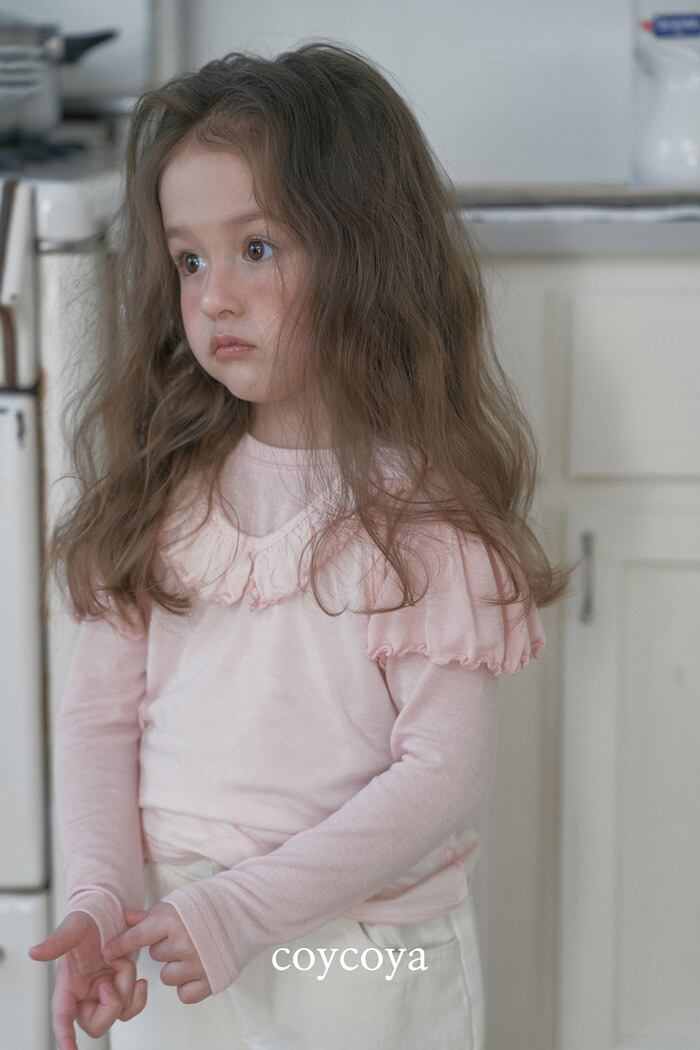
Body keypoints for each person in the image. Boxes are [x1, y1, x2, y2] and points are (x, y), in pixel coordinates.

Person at [28, 40, 575, 1050]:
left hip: (360, 954)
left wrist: (243, 910)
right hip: (176, 938)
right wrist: (103, 899)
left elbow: (442, 775)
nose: (214, 296)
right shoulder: (157, 495)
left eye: (257, 248)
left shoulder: (425, 518)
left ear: (366, 253)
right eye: (190, 260)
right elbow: (99, 722)